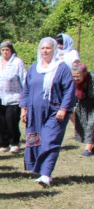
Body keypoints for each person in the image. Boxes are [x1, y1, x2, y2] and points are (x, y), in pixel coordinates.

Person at [22, 37, 76, 186]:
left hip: (55, 111)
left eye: (48, 48)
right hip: (35, 112)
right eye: (43, 48)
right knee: (36, 141)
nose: (45, 51)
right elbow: (26, 89)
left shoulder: (62, 68)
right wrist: (24, 108)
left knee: (50, 141)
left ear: (54, 50)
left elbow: (69, 90)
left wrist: (63, 108)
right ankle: (40, 171)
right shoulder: (34, 68)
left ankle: (46, 174)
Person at [0, 40, 27, 154]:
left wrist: (25, 97)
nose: (5, 52)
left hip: (13, 98)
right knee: (0, 122)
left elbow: (24, 79)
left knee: (11, 121)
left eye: (7, 50)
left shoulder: (17, 62)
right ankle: (3, 144)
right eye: (3, 50)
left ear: (11, 51)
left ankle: (14, 143)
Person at [71, 61, 94, 157]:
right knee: (84, 125)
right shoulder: (73, 82)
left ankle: (88, 149)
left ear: (84, 74)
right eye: (74, 76)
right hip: (84, 105)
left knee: (91, 124)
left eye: (78, 76)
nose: (75, 79)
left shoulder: (92, 78)